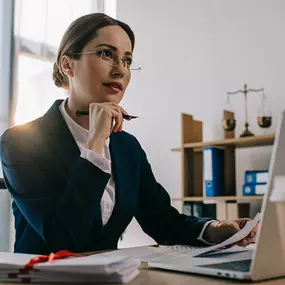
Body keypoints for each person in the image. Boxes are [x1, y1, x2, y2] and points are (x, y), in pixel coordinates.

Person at [0, 13, 257, 254]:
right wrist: (95, 143)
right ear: (67, 64)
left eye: (127, 60)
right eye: (106, 54)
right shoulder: (20, 142)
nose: (120, 70)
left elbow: (163, 221)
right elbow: (64, 237)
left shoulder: (127, 147)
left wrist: (213, 230)